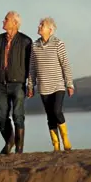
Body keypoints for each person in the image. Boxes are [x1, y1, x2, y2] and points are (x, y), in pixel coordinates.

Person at [0, 11, 33, 155]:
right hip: (1, 84)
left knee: (18, 115)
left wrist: (30, 85)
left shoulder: (26, 41)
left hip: (18, 84)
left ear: (15, 23)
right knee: (1, 117)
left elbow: (31, 65)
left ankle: (19, 149)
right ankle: (10, 141)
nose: (3, 21)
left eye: (6, 19)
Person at [27, 17, 75, 151]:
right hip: (43, 87)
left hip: (58, 85)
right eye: (39, 24)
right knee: (50, 116)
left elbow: (65, 64)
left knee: (57, 111)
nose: (39, 27)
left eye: (42, 25)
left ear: (50, 30)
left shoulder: (58, 43)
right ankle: (56, 144)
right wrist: (30, 86)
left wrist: (69, 84)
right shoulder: (34, 46)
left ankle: (65, 139)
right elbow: (32, 68)